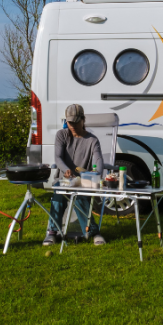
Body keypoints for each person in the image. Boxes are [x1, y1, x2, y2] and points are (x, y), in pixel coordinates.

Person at [44, 104, 106, 246]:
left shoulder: (92, 140)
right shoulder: (62, 135)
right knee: (58, 197)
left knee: (78, 196)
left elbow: (99, 159)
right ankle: (53, 232)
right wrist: (66, 169)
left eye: (76, 122)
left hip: (83, 182)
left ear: (83, 120)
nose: (72, 125)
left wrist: (97, 173)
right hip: (63, 180)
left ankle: (94, 232)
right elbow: (58, 158)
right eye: (69, 122)